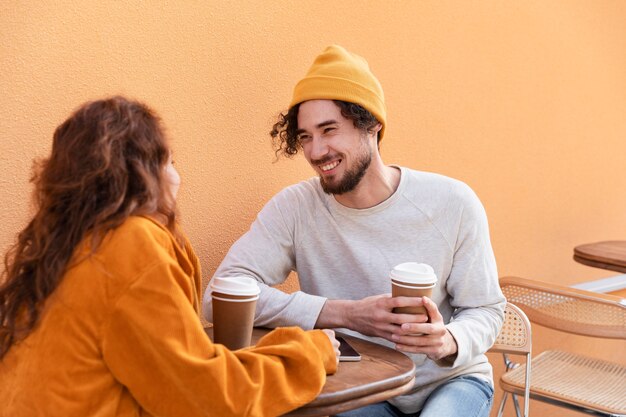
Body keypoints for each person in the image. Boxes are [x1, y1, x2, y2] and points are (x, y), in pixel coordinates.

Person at [203, 45, 506, 417]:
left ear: (372, 124)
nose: (316, 151)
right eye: (305, 137)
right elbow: (219, 295)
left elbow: (486, 310)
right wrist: (343, 314)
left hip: (451, 382)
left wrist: (449, 340)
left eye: (329, 130)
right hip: (361, 385)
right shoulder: (295, 208)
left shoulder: (453, 202)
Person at [0, 96, 339, 417]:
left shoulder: (63, 245)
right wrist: (310, 351)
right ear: (145, 175)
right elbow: (209, 397)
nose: (178, 177)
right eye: (170, 161)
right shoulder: (128, 245)